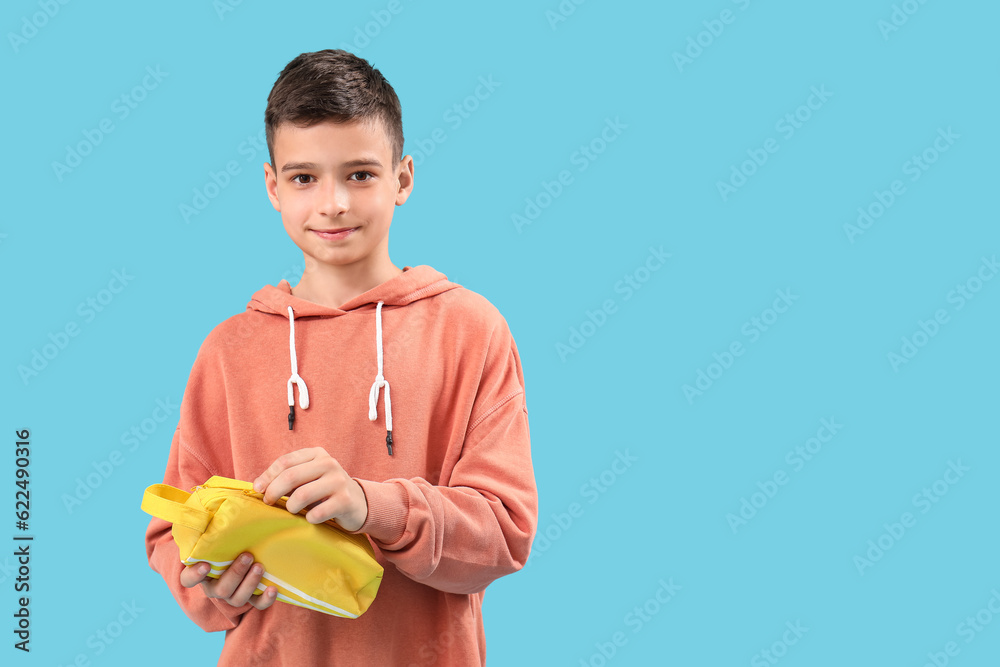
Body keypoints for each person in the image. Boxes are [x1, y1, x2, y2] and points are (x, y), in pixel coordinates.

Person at [143, 48, 537, 666]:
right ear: (273, 187)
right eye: (304, 178)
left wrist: (370, 505)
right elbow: (173, 532)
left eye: (359, 174)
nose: (333, 204)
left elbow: (505, 534)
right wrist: (211, 588)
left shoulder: (470, 330)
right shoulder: (228, 350)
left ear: (402, 179)